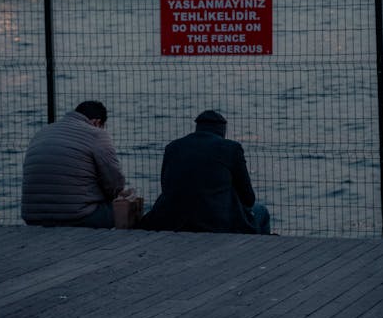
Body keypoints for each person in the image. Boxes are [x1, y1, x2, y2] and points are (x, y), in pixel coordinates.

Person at [140, 110, 271, 234]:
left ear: (197, 127)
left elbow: (166, 186)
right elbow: (248, 199)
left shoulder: (173, 147)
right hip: (215, 222)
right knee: (261, 212)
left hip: (173, 220)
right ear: (222, 130)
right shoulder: (231, 148)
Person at [21, 100, 125, 228]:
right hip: (78, 218)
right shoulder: (97, 134)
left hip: (33, 218)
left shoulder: (42, 132)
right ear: (96, 122)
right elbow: (115, 183)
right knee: (123, 208)